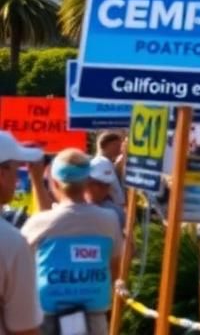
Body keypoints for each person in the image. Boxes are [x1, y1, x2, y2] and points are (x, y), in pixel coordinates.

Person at [21, 149, 122, 335]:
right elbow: (115, 265)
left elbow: (20, 268)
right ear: (86, 182)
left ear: (55, 183)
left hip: (47, 318)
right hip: (94, 316)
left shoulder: (38, 223)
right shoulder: (109, 220)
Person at [0, 131, 44, 335]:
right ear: (2, 173)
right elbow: (24, 330)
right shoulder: (12, 243)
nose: (17, 178)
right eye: (17, 169)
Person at [85, 157, 126, 231]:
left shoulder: (117, 213)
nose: (104, 189)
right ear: (87, 181)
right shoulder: (74, 209)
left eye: (107, 184)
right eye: (99, 184)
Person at [94, 132, 125, 206]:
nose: (120, 149)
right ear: (105, 145)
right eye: (117, 145)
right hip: (107, 208)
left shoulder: (107, 162)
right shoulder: (101, 162)